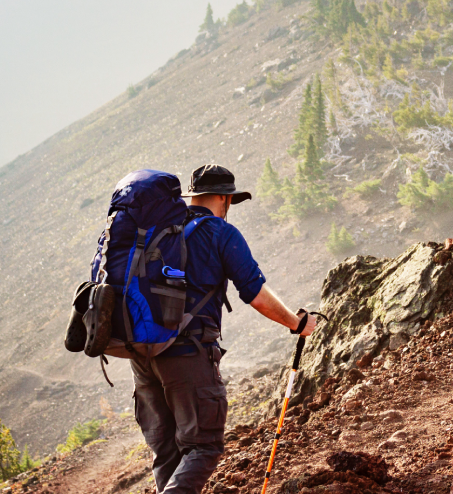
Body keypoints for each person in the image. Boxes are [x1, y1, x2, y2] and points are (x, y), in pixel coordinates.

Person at [132, 164, 318, 494]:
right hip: (187, 353)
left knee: (167, 452)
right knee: (204, 446)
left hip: (141, 353)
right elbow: (255, 294)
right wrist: (297, 323)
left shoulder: (158, 230)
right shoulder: (220, 233)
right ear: (224, 198)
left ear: (193, 196)